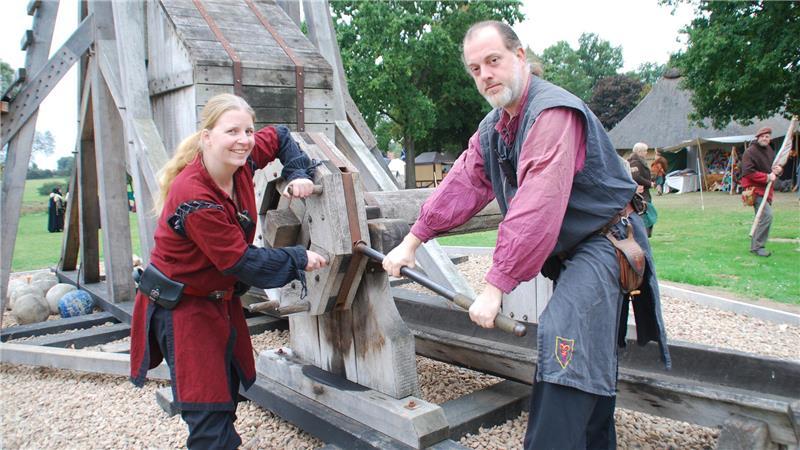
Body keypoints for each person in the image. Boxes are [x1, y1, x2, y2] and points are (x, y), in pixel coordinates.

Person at [383, 21, 669, 449]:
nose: (485, 75)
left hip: (606, 242)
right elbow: (462, 183)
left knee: (564, 337)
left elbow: (538, 203)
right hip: (579, 246)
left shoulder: (552, 114)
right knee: (586, 354)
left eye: (493, 61)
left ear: (520, 57)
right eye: (475, 68)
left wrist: (496, 284)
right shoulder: (495, 126)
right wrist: (412, 241)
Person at [129, 93, 327, 449]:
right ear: (207, 137)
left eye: (248, 130)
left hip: (216, 300)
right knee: (208, 416)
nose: (244, 139)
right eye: (231, 131)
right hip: (183, 310)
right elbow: (241, 263)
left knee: (226, 393)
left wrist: (298, 172)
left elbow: (281, 135)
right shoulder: (194, 196)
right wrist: (299, 258)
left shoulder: (242, 161)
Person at [741, 127, 782, 257]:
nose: (765, 138)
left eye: (767, 136)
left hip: (766, 190)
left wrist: (778, 170)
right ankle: (759, 247)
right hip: (754, 190)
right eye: (763, 136)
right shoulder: (750, 152)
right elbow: (748, 172)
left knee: (761, 218)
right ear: (758, 137)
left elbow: (773, 169)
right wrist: (766, 177)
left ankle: (755, 247)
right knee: (767, 215)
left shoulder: (769, 150)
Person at [628, 142, 654, 237]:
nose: (646, 153)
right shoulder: (635, 162)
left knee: (647, 212)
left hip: (644, 192)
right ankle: (643, 235)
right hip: (640, 193)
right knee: (644, 213)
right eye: (645, 151)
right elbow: (636, 177)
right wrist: (649, 183)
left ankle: (645, 234)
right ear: (639, 151)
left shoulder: (640, 161)